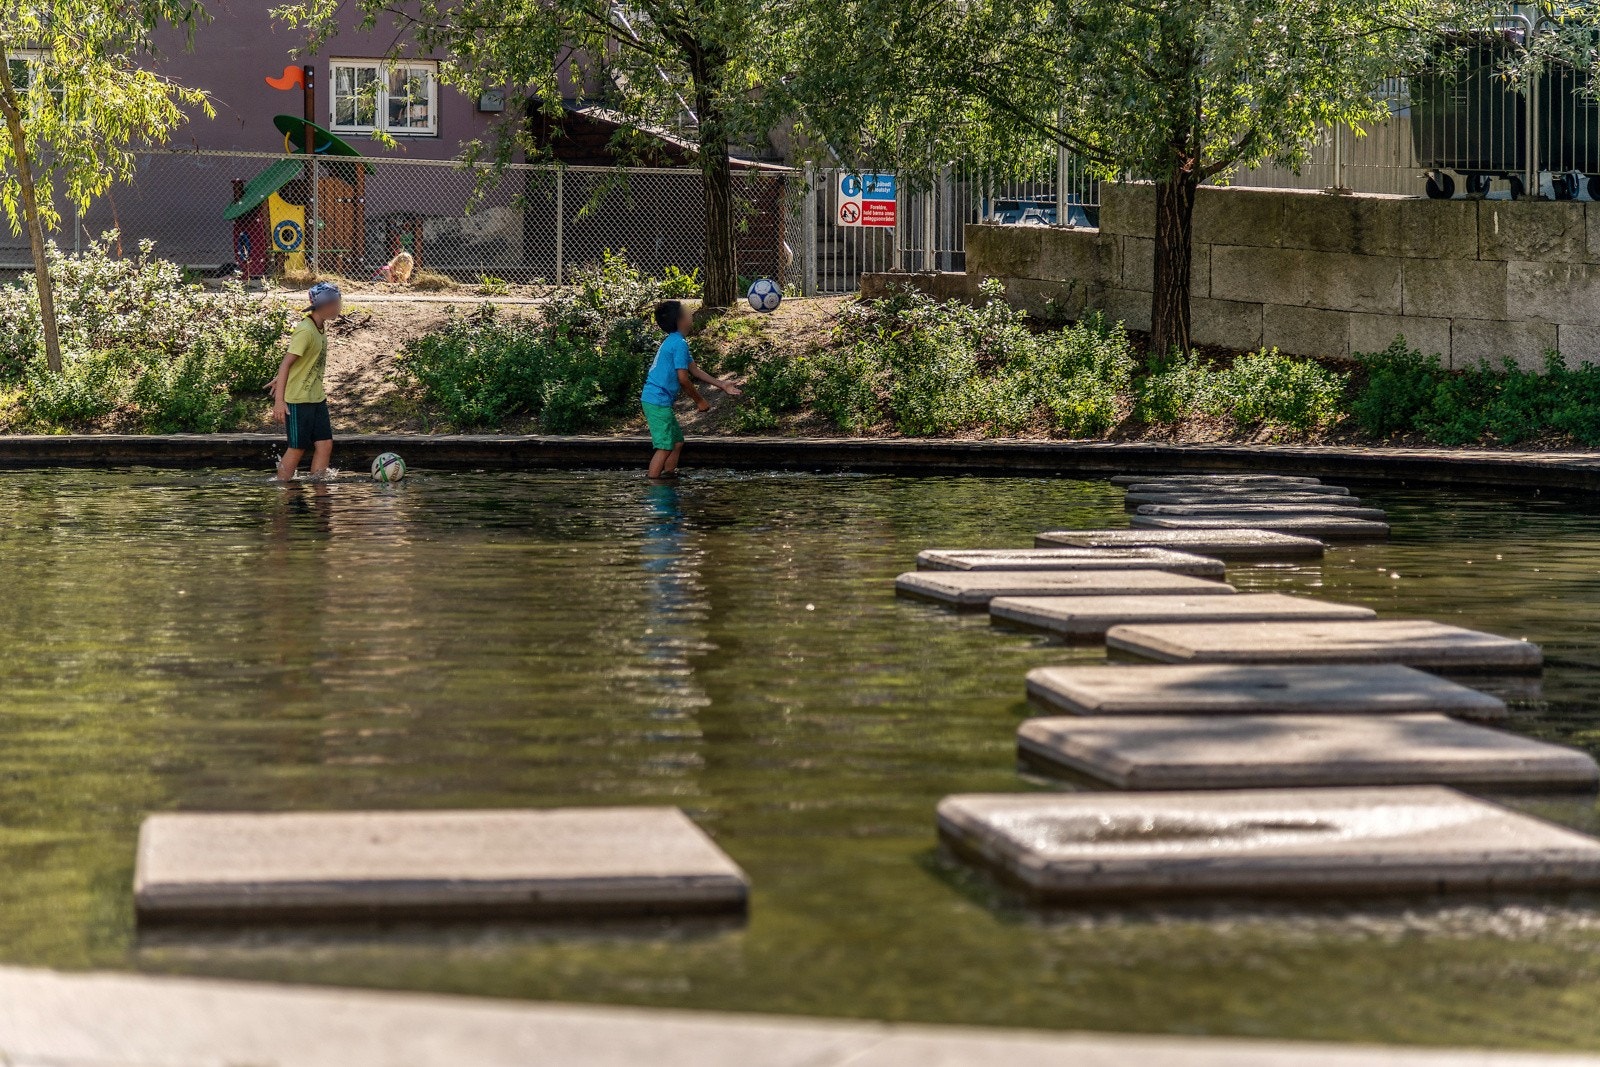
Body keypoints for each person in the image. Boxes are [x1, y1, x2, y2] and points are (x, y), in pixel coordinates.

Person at [641, 300, 740, 479]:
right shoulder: (678, 343)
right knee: (664, 446)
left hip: (657, 400)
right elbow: (683, 379)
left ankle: (669, 477)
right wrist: (700, 400)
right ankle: (654, 486)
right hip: (656, 400)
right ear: (680, 320)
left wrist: (722, 384)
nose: (691, 313)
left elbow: (694, 370)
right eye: (687, 311)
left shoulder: (677, 341)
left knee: (677, 442)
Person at [270, 282, 342, 481]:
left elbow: (302, 361)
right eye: (335, 303)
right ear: (323, 306)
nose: (338, 307)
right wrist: (279, 401)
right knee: (297, 448)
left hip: (316, 397)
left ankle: (319, 489)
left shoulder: (319, 327)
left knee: (325, 444)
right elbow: (286, 363)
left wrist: (282, 378)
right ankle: (283, 492)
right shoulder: (306, 330)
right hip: (298, 399)